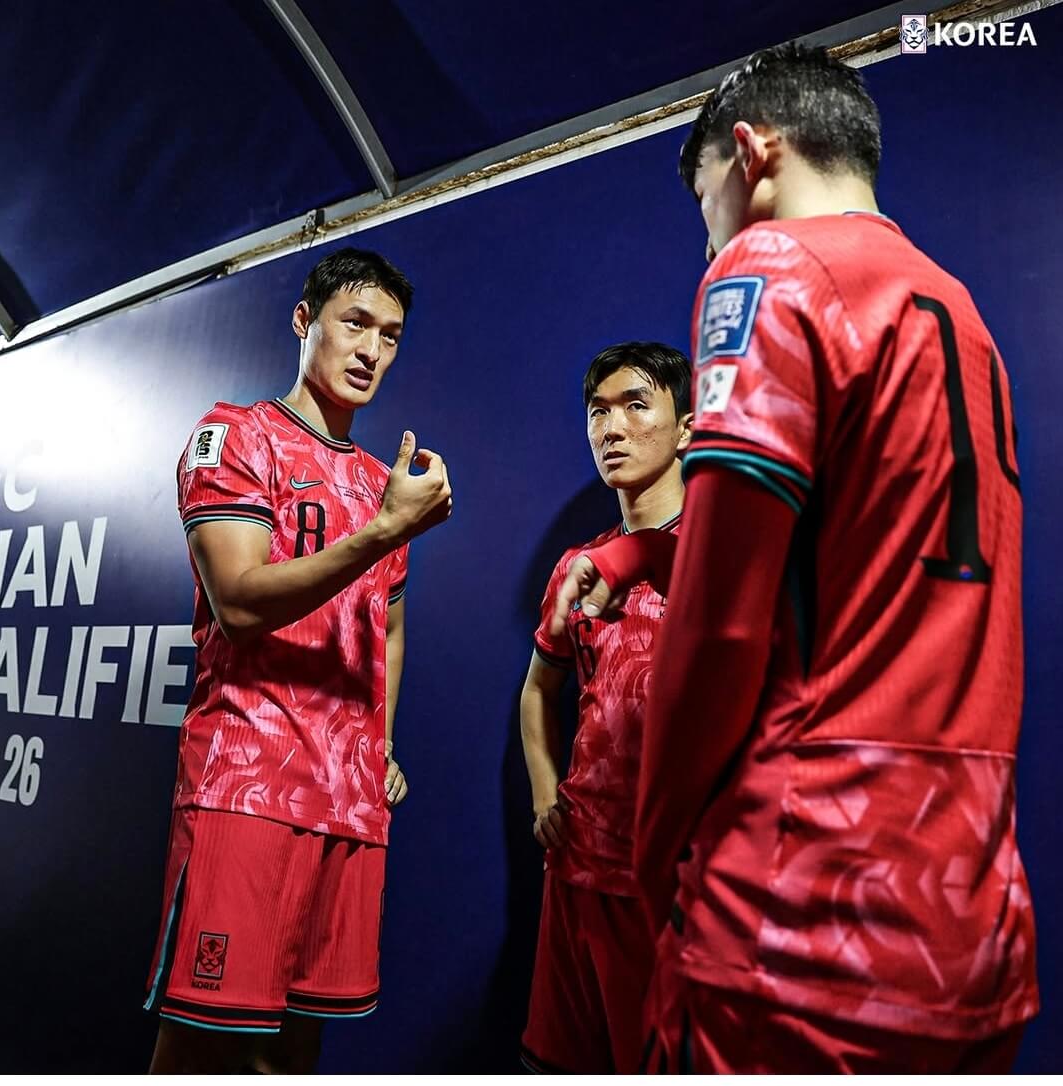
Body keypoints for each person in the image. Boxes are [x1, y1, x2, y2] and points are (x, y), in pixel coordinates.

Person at [552, 43, 1038, 1073]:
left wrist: (656, 848)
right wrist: (641, 556)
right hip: (970, 905)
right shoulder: (958, 312)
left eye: (706, 202)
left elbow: (723, 624)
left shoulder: (770, 266)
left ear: (752, 153)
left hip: (803, 903)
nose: (709, 236)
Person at [143, 247, 452, 1073]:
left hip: (348, 802)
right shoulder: (235, 436)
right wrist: (385, 530)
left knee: (295, 1046)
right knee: (203, 1041)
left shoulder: (384, 482)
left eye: (390, 335)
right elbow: (240, 603)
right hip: (246, 784)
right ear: (303, 320)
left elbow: (387, 625)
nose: (371, 350)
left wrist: (381, 742)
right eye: (355, 324)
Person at [519, 342, 691, 1073]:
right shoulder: (575, 567)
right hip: (577, 870)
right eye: (598, 411)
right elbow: (538, 690)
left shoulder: (719, 556)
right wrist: (544, 794)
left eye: (635, 405)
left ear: (686, 429)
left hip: (674, 886)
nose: (611, 428)